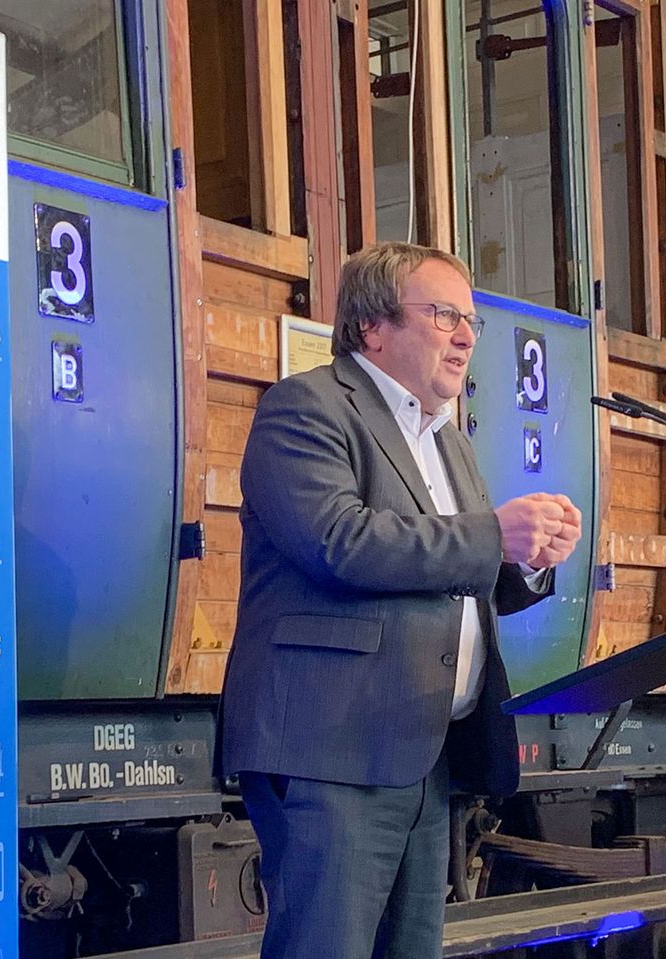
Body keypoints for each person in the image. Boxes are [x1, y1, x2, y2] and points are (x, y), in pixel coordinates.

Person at [220, 241, 583, 958]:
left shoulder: (446, 440)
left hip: (423, 755)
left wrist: (528, 561)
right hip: (334, 749)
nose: (466, 335)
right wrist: (492, 534)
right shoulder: (306, 408)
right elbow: (340, 542)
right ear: (373, 327)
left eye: (471, 320)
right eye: (444, 313)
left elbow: (455, 569)